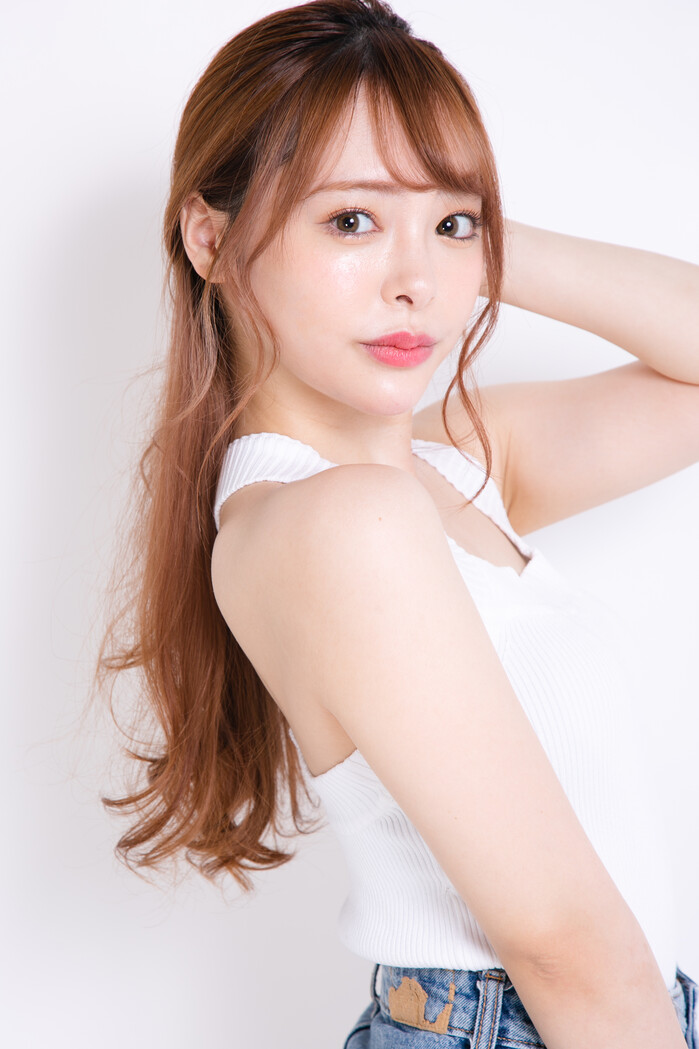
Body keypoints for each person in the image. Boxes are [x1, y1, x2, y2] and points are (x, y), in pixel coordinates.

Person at [96, 0, 699, 1045]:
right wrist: (440, 213)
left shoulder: (451, 461)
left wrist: (465, 230)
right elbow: (563, 946)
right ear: (212, 238)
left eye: (451, 225)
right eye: (351, 221)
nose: (415, 284)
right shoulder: (336, 520)